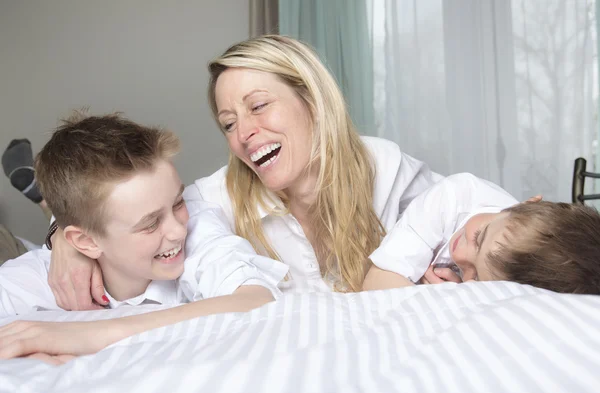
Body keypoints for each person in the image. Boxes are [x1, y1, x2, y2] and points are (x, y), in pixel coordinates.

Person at [48, 34, 442, 309]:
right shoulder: (215, 198)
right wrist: (58, 238)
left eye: (257, 106)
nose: (245, 134)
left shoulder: (384, 165)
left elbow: (474, 205)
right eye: (228, 123)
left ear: (312, 99)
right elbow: (113, 199)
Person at [0, 112, 287, 359]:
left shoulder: (198, 227)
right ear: (86, 242)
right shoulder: (38, 276)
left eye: (178, 202)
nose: (177, 230)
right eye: (150, 224)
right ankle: (44, 199)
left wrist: (92, 333)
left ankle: (45, 200)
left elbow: (256, 298)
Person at [363, 173, 600, 294]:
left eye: (475, 276)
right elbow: (376, 282)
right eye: (479, 237)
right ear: (523, 204)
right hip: (374, 188)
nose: (460, 256)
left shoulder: (508, 262)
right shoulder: (454, 196)